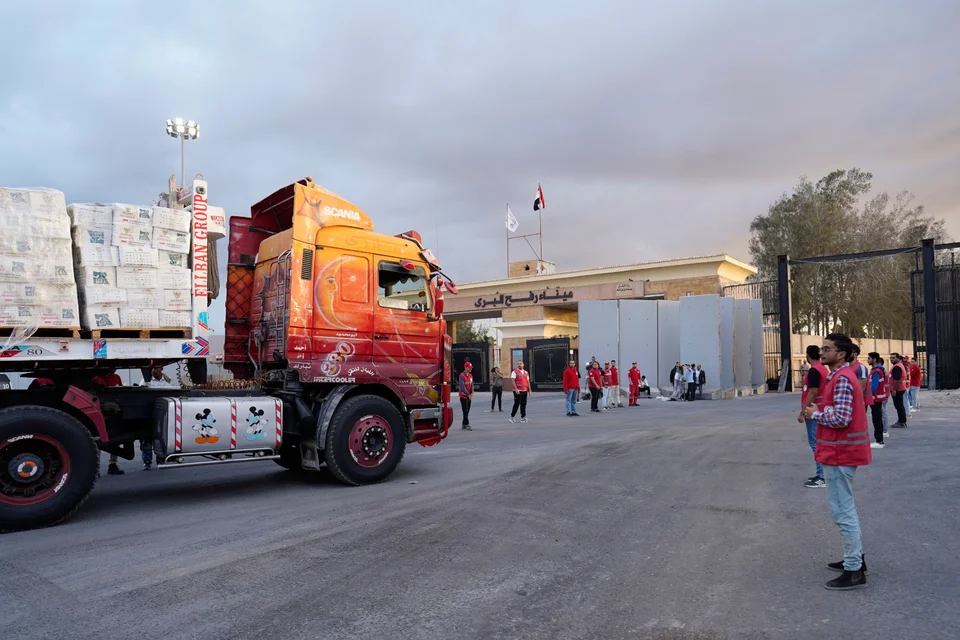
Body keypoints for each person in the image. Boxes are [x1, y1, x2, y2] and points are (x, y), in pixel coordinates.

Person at [802, 333, 871, 590]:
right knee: (845, 508)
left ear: (841, 354)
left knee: (843, 511)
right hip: (839, 452)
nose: (822, 352)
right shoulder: (838, 376)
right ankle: (855, 560)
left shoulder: (841, 379)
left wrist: (816, 413)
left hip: (840, 453)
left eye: (827, 348)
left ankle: (854, 570)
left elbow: (841, 417)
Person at [798, 345, 828, 488]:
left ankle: (822, 476)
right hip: (819, 410)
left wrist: (803, 411)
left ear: (807, 356)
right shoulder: (822, 369)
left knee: (816, 443)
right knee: (818, 443)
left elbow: (812, 392)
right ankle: (820, 473)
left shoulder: (814, 371)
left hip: (814, 411)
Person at [142, 366, 175, 469]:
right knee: (147, 439)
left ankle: (160, 460)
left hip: (160, 415)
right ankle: (147, 462)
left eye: (156, 368)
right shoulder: (145, 381)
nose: (153, 371)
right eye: (152, 369)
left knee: (160, 438)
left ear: (161, 369)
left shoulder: (166, 381)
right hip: (148, 414)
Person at [93, 369, 125, 475]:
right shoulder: (96, 379)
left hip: (113, 414)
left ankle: (112, 464)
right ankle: (96, 468)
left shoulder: (116, 377)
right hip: (101, 414)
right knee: (98, 441)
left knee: (115, 440)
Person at [867, 352, 887, 449]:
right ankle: (879, 439)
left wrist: (867, 394)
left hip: (876, 398)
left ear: (874, 360)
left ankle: (879, 440)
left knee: (877, 419)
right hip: (877, 398)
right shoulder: (876, 370)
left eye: (869, 358)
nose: (868, 360)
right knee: (877, 419)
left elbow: (874, 387)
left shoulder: (876, 371)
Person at [888, 353, 909, 428]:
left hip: (898, 389)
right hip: (900, 388)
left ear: (897, 358)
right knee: (899, 405)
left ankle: (901, 421)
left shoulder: (897, 367)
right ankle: (901, 420)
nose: (891, 359)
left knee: (899, 406)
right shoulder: (899, 365)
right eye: (890, 358)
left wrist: (894, 389)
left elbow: (896, 379)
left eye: (893, 358)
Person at [458, 361, 474, 430]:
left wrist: (472, 393)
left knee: (467, 411)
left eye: (471, 368)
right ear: (465, 367)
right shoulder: (461, 375)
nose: (470, 369)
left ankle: (464, 424)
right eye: (469, 367)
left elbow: (472, 385)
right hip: (463, 396)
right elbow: (462, 386)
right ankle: (466, 424)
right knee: (465, 410)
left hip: (469, 396)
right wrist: (468, 394)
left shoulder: (470, 375)